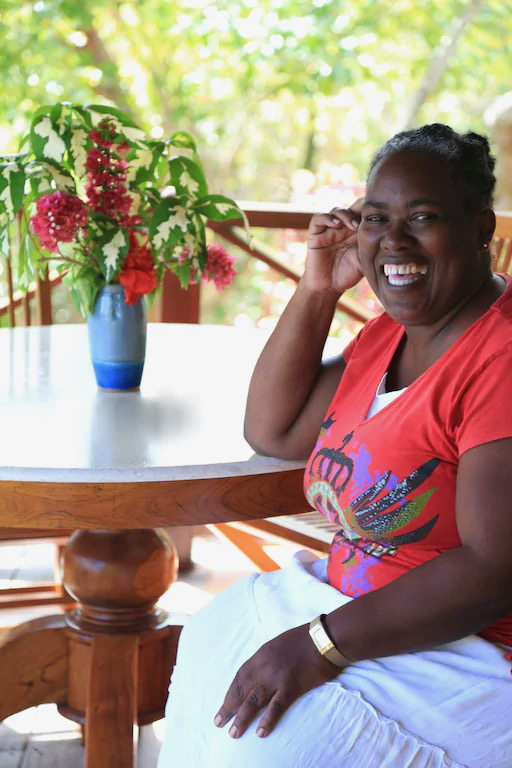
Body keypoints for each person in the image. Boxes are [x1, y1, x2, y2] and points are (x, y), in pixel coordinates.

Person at [158, 124, 512, 768]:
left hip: (470, 654)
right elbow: (272, 429)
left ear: (480, 226)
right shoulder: (388, 336)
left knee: (266, 750)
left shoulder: (501, 355)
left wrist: (319, 645)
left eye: (423, 217)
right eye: (376, 218)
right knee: (210, 646)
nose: (394, 240)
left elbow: (494, 568)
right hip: (353, 610)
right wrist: (318, 288)